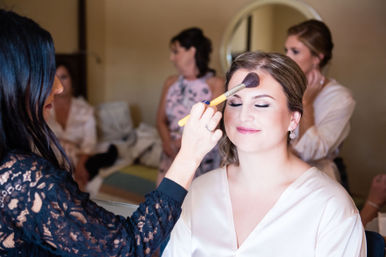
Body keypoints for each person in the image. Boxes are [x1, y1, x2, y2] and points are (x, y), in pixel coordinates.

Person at [0, 10, 223, 256]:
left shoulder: (216, 84)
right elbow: (130, 247)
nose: (60, 86)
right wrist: (188, 154)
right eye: (46, 71)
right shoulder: (23, 178)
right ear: (11, 80)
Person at [162, 51, 365, 256]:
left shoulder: (330, 206)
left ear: (293, 119)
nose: (243, 115)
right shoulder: (199, 191)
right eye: (234, 103)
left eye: (261, 104)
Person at [284, 19, 355, 182]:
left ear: (317, 57)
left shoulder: (341, 98)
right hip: (278, 175)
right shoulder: (283, 88)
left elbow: (311, 151)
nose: (287, 57)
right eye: (286, 50)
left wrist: (306, 104)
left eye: (295, 51)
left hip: (316, 180)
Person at [156, 27, 225, 185]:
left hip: (201, 155)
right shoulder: (170, 82)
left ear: (192, 51)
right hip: (170, 154)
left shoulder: (216, 84)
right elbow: (160, 120)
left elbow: (211, 123)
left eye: (175, 52)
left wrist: (184, 145)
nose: (171, 58)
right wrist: (168, 144)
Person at [47, 62, 98, 190]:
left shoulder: (85, 109)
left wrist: (81, 164)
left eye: (64, 77)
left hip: (76, 159)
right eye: (55, 78)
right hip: (50, 158)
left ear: (72, 80)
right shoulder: (43, 108)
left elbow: (90, 142)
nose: (60, 82)